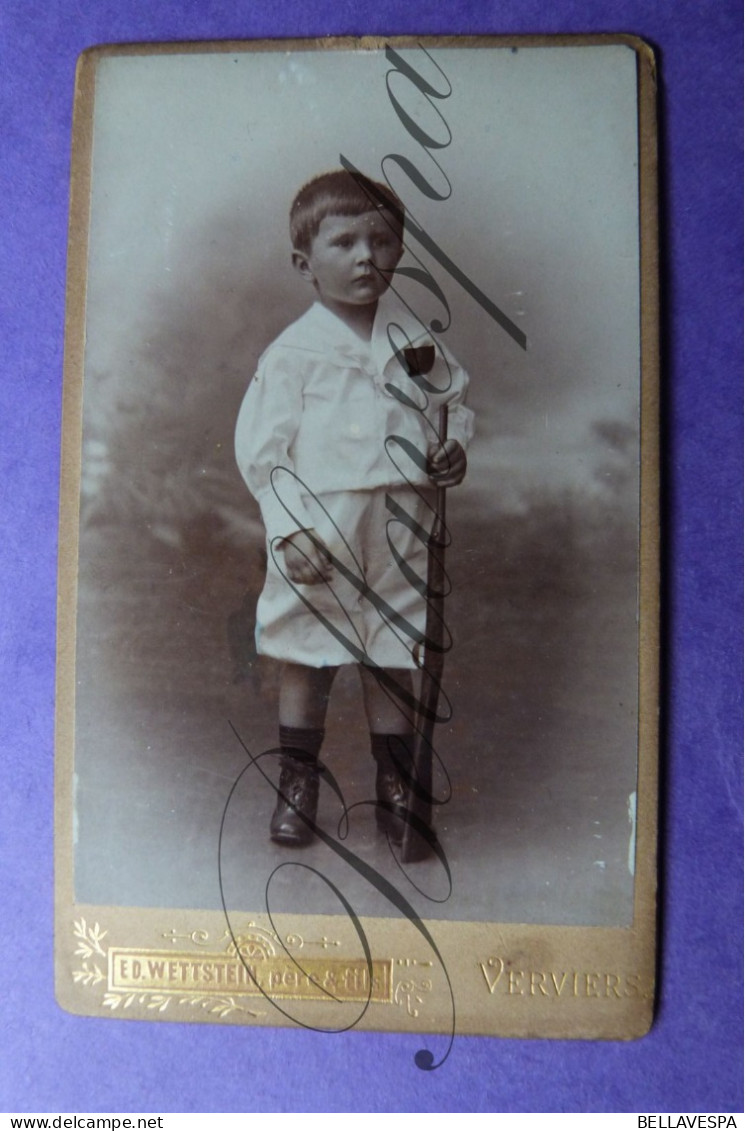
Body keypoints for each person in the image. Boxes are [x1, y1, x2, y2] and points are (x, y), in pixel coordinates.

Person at [235, 169, 474, 849]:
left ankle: (396, 789)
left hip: (398, 523)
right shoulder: (292, 354)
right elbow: (265, 453)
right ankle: (298, 782)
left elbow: (455, 399)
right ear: (305, 264)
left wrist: (454, 443)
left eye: (383, 240)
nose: (367, 256)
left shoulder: (414, 336)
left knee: (392, 650)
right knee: (308, 655)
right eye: (345, 242)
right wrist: (290, 531)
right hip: (322, 525)